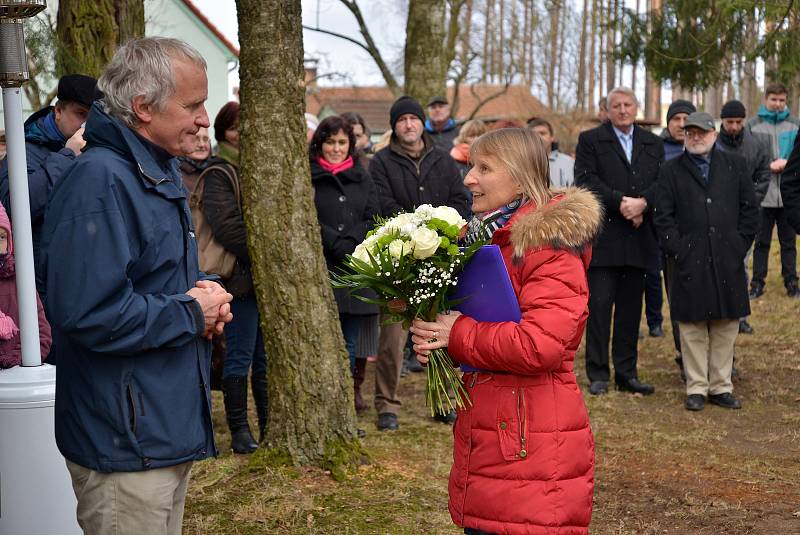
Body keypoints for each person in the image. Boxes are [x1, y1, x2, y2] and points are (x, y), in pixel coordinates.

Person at [39, 37, 233, 534]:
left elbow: (155, 276)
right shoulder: (100, 181)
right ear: (144, 108)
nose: (203, 118)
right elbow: (88, 313)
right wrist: (192, 312)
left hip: (156, 425)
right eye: (191, 105)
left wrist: (205, 293)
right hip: (124, 440)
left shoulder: (152, 169)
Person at [410, 128, 600, 535]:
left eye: (483, 168)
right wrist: (439, 339)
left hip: (530, 435)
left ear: (518, 176)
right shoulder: (484, 238)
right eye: (470, 166)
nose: (468, 178)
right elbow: (487, 323)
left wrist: (458, 333)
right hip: (497, 427)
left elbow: (541, 346)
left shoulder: (548, 246)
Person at [370, 95, 470, 431]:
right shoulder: (381, 162)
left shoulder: (442, 160)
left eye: (414, 118)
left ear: (422, 122)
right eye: (402, 120)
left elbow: (459, 200)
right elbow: (380, 203)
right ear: (394, 126)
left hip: (439, 257)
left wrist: (439, 230)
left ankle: (443, 399)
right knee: (393, 337)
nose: (409, 125)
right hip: (398, 262)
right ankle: (387, 405)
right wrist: (412, 229)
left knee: (439, 329)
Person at [654, 112, 759, 411]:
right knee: (692, 325)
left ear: (714, 135)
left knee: (726, 324)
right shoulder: (671, 170)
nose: (695, 137)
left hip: (728, 257)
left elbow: (750, 211)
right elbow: (663, 218)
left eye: (701, 132)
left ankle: (721, 386)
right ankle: (697, 387)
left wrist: (738, 245)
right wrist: (679, 248)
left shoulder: (735, 165)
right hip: (690, 258)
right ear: (684, 136)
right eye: (690, 133)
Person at [575, 86, 663, 396]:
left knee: (630, 311)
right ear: (607, 110)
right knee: (599, 308)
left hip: (640, 238)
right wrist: (623, 203)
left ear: (637, 107)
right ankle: (598, 373)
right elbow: (585, 181)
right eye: (616, 105)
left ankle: (627, 373)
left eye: (628, 104)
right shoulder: (590, 141)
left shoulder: (653, 143)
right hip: (604, 239)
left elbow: (662, 182)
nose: (623, 110)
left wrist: (644, 204)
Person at [199, 101, 268, 454]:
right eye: (235, 126)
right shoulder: (219, 171)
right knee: (239, 355)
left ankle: (268, 426)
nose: (242, 132)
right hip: (237, 279)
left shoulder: (256, 167)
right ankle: (240, 431)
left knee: (264, 357)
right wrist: (266, 254)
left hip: (258, 279)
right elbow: (226, 227)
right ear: (224, 131)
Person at [309, 115, 379, 414]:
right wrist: (331, 240)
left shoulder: (362, 176)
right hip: (322, 266)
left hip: (353, 265)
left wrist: (349, 241)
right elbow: (305, 213)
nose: (336, 148)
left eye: (342, 142)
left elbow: (372, 214)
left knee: (349, 342)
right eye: (330, 142)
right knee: (321, 341)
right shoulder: (308, 175)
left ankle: (347, 400)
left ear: (350, 145)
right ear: (320, 144)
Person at [0, 74, 102, 277]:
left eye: (93, 118)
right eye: (81, 114)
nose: (85, 126)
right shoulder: (23, 151)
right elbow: (16, 207)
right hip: (40, 279)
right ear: (58, 111)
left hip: (80, 273)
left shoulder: (96, 152)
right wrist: (68, 156)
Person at [716, 99, 772, 335]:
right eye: (730, 122)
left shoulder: (756, 144)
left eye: (739, 122)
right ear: (722, 121)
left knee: (740, 265)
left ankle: (740, 316)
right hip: (715, 217)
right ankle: (718, 311)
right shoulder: (713, 145)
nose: (735, 127)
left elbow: (764, 175)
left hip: (744, 218)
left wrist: (749, 203)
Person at [747, 83, 800, 298]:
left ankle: (791, 282)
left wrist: (787, 163)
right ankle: (757, 282)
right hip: (763, 194)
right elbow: (750, 155)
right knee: (762, 242)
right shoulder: (753, 125)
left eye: (781, 100)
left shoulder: (795, 125)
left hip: (789, 197)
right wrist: (768, 165)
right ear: (765, 100)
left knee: (789, 242)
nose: (778, 104)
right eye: (773, 100)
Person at [0, 202, 51, 369]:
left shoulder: (20, 280)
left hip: (17, 375)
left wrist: (16, 359)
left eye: (1, 237)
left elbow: (41, 334)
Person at [527, 117, 575, 187]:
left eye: (542, 133)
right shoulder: (521, 163)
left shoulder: (569, 162)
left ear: (552, 137)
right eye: (534, 134)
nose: (538, 137)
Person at [178, 126, 211, 193]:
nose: (202, 145)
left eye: (205, 139)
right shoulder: (173, 173)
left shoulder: (216, 171)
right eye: (196, 139)